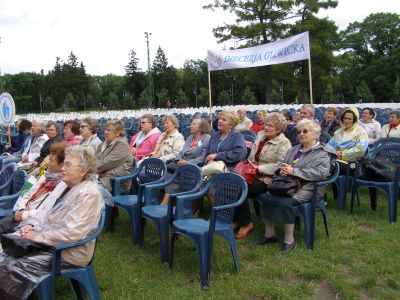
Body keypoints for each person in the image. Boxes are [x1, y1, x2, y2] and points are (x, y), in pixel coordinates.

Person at [0, 146, 103, 300]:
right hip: (53, 242)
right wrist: (32, 226)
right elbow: (50, 216)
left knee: (13, 266)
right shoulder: (69, 187)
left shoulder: (89, 193)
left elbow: (72, 233)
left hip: (69, 252)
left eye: (68, 165)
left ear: (83, 170)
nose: (63, 168)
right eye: (64, 164)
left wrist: (37, 236)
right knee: (7, 254)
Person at [257, 119, 334, 253]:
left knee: (286, 203)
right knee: (265, 198)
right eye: (299, 132)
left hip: (310, 188)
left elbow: (321, 173)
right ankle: (270, 235)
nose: (301, 134)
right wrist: (282, 170)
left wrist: (294, 171)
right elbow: (283, 164)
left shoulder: (322, 152)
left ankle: (289, 240)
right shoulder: (294, 149)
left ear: (315, 134)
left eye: (305, 131)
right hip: (288, 184)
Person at [233, 113, 292, 239]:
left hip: (267, 179)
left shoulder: (284, 143)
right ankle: (237, 218)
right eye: (266, 124)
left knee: (240, 188)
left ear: (279, 128)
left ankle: (246, 223)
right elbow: (252, 156)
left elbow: (280, 165)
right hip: (252, 173)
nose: (266, 127)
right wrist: (248, 166)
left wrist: (259, 168)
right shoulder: (260, 135)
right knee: (232, 183)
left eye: (270, 126)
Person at [0, 143, 68, 234]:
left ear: (61, 165)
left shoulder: (62, 185)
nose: (47, 162)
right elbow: (28, 193)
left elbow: (46, 212)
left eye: (51, 160)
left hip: (32, 224)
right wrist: (21, 209)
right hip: (23, 215)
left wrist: (24, 215)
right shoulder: (46, 176)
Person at [161, 118, 211, 205]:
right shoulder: (190, 138)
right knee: (170, 171)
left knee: (175, 174)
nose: (191, 126)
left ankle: (167, 201)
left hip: (195, 165)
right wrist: (178, 159)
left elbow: (203, 158)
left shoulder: (207, 138)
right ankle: (171, 200)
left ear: (201, 127)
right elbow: (182, 152)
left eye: (194, 124)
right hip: (182, 163)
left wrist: (188, 163)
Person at [327, 107, 368, 173]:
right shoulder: (338, 132)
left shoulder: (361, 132)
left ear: (354, 120)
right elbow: (328, 146)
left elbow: (361, 149)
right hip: (335, 159)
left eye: (349, 119)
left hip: (352, 164)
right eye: (345, 118)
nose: (346, 121)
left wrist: (342, 154)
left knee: (328, 165)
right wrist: (334, 153)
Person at [95, 120, 132, 192]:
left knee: (88, 190)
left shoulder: (122, 145)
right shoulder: (103, 144)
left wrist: (89, 170)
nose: (105, 132)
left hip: (116, 182)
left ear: (118, 132)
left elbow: (106, 163)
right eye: (105, 129)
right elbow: (94, 159)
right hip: (102, 176)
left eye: (109, 130)